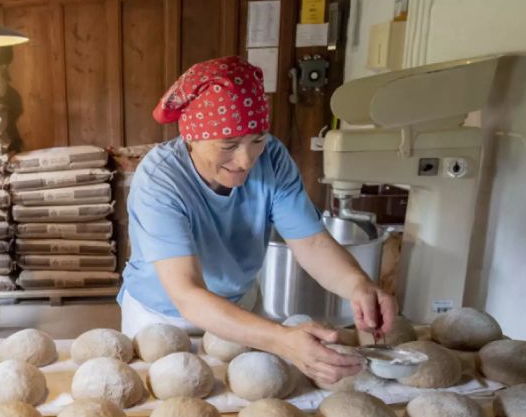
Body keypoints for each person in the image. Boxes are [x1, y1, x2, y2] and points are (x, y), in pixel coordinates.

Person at [117, 56, 398, 384]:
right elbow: (187, 293)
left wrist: (357, 284)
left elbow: (311, 241)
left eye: (257, 138)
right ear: (191, 137)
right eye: (229, 144)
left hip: (240, 310)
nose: (246, 159)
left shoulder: (273, 158)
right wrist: (281, 340)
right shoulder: (160, 179)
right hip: (162, 318)